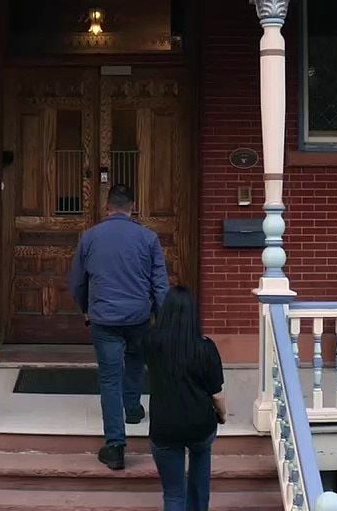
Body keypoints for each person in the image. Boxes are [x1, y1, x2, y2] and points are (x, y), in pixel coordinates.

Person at [69, 184, 169, 470]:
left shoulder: (90, 237)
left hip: (104, 317)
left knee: (110, 378)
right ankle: (133, 409)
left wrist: (86, 308)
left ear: (107, 206)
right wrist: (162, 317)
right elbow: (160, 284)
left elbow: (77, 281)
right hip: (139, 315)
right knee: (136, 361)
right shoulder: (148, 238)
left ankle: (115, 445)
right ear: (132, 207)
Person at [144, 286, 226, 511]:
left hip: (164, 426)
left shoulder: (151, 343)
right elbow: (217, 395)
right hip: (200, 424)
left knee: (173, 494)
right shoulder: (206, 348)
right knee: (200, 485)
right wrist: (222, 415)